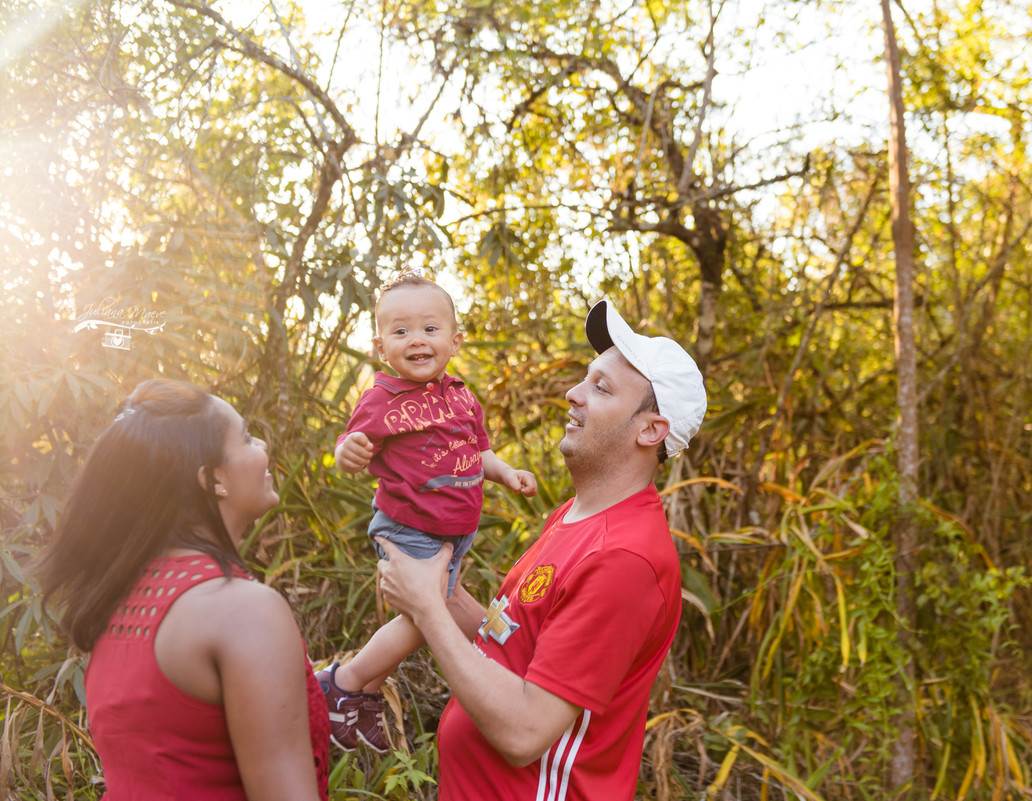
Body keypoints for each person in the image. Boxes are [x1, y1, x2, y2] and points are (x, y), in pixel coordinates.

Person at [376, 298, 707, 800]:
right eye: (584, 378)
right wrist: (444, 594)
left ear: (650, 430)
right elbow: (510, 647)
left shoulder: (624, 559)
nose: (573, 394)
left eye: (600, 388)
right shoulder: (576, 516)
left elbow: (525, 732)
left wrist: (427, 607)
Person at [35, 379, 330, 801]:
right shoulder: (244, 610)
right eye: (246, 438)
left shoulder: (121, 598)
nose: (263, 446)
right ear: (212, 480)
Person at [318, 272, 537, 753]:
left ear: (454, 340)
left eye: (429, 329)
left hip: (454, 534)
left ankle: (363, 694)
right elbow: (350, 443)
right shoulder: (382, 398)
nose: (416, 339)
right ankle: (343, 683)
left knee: (437, 613)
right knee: (425, 615)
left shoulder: (461, 396)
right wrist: (347, 452)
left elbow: (479, 452)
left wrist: (506, 472)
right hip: (409, 526)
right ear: (381, 347)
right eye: (401, 331)